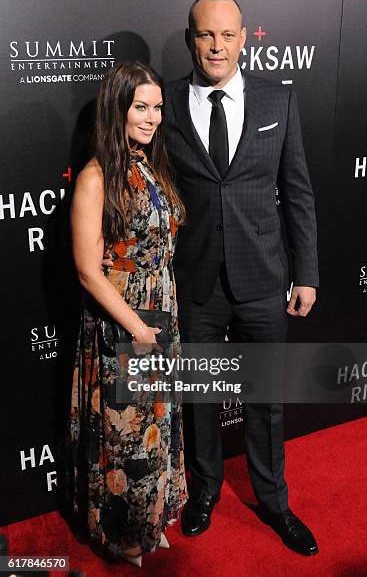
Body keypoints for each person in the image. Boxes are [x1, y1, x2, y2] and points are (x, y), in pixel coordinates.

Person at [164, 0, 319, 556]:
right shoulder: (167, 104)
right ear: (190, 39)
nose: (216, 46)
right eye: (206, 35)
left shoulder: (278, 98)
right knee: (201, 397)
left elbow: (297, 192)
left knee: (267, 399)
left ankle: (274, 502)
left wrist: (307, 273)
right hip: (197, 282)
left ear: (244, 37)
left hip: (262, 279)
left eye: (227, 35)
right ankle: (204, 491)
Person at [68, 61, 187, 567]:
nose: (152, 117)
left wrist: (158, 320)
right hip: (125, 327)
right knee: (126, 440)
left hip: (160, 317)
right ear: (117, 107)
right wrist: (138, 327)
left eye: (157, 107)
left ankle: (150, 521)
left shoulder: (148, 164)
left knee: (155, 430)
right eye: (141, 106)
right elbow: (89, 272)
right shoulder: (96, 176)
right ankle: (124, 537)